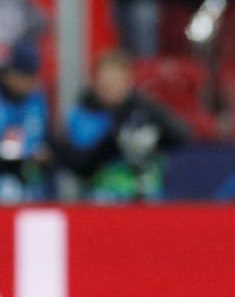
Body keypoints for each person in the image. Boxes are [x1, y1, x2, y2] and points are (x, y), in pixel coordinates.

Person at [55, 50, 190, 201]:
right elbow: (79, 164)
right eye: (106, 83)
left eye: (117, 82)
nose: (111, 89)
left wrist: (153, 134)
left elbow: (182, 136)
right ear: (95, 82)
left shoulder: (145, 108)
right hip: (99, 199)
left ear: (128, 81)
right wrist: (115, 140)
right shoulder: (82, 115)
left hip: (147, 198)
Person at [0, 39, 47, 202]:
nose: (26, 82)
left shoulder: (37, 100)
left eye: (30, 76)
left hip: (27, 170)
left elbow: (40, 138)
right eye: (21, 75)